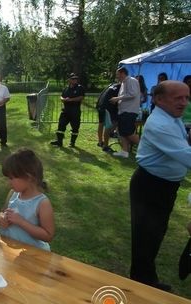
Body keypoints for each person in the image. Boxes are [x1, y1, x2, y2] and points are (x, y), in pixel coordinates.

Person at [129, 80, 191, 291]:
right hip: (151, 187)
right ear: (158, 99)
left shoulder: (172, 117)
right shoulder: (161, 124)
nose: (184, 102)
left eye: (186, 97)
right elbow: (187, 156)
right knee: (146, 238)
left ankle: (146, 280)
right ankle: (141, 285)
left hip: (162, 186)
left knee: (154, 235)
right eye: (178, 98)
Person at [0, 148, 54, 251]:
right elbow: (2, 212)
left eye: (11, 178)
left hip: (31, 254)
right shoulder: (13, 194)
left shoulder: (42, 203)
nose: (8, 183)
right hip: (9, 248)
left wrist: (21, 222)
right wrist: (1, 218)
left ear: (28, 177)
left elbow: (48, 235)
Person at [110, 67, 141, 158]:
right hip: (123, 111)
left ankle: (146, 149)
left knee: (129, 133)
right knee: (122, 132)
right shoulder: (124, 82)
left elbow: (133, 94)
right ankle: (125, 151)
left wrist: (117, 98)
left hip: (129, 111)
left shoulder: (131, 80)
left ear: (122, 73)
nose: (117, 77)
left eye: (117, 74)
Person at [50, 73, 85, 147]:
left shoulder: (80, 88)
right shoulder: (66, 88)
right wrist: (63, 99)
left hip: (75, 111)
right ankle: (59, 142)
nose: (75, 80)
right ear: (69, 80)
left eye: (76, 79)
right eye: (73, 79)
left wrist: (70, 100)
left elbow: (81, 97)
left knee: (75, 127)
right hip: (65, 110)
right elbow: (61, 97)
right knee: (61, 126)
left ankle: (72, 143)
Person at [96, 82, 121, 153]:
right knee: (109, 126)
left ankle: (100, 142)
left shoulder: (111, 84)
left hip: (100, 105)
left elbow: (102, 94)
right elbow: (116, 100)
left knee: (101, 124)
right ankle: (105, 146)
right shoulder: (120, 87)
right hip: (107, 108)